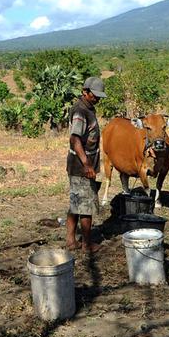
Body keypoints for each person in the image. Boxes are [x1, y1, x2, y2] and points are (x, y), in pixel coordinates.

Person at [66, 76, 105, 252]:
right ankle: (87, 244)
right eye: (94, 95)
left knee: (76, 202)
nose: (97, 99)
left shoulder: (87, 108)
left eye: (99, 96)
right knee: (86, 206)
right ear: (85, 92)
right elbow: (75, 139)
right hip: (81, 166)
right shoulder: (81, 112)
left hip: (77, 164)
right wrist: (87, 164)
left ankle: (71, 241)